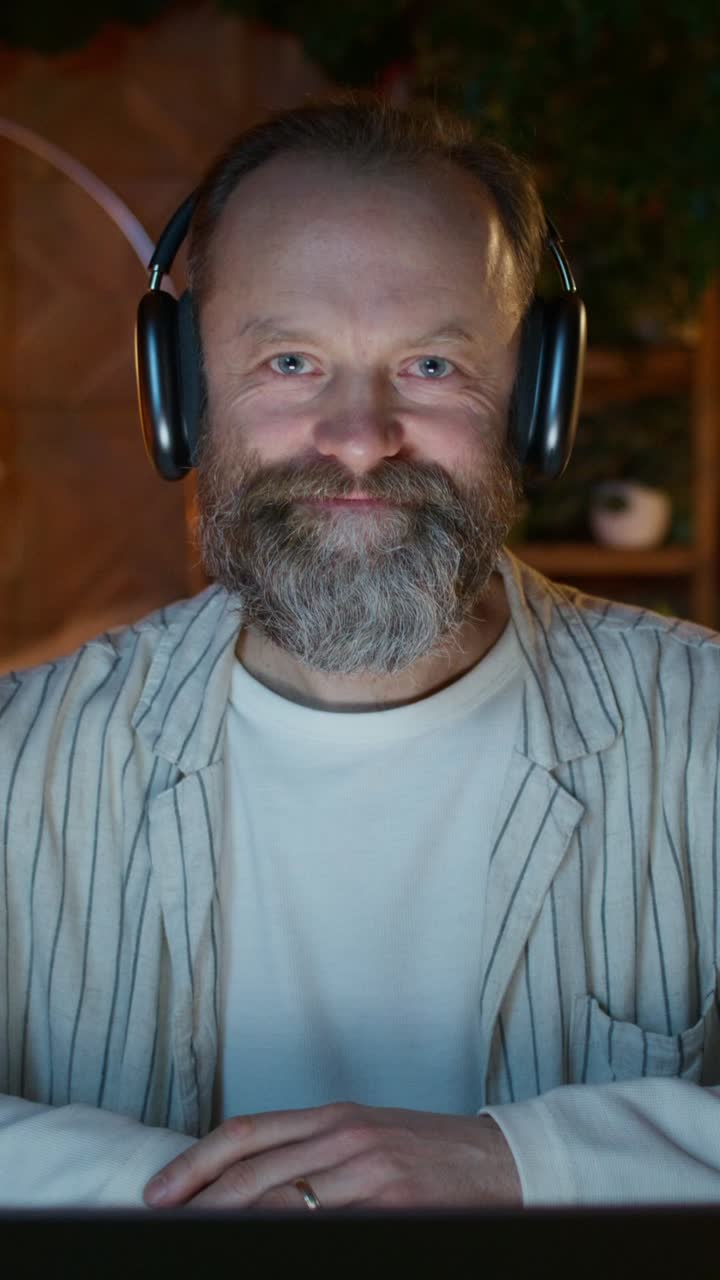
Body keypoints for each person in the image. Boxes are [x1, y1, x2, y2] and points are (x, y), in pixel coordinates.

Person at [1, 93, 719, 1213]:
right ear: (182, 396)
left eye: (431, 366)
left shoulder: (707, 732)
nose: (357, 435)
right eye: (290, 360)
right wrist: (166, 1194)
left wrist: (528, 1162)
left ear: (536, 399)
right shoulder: (14, 764)